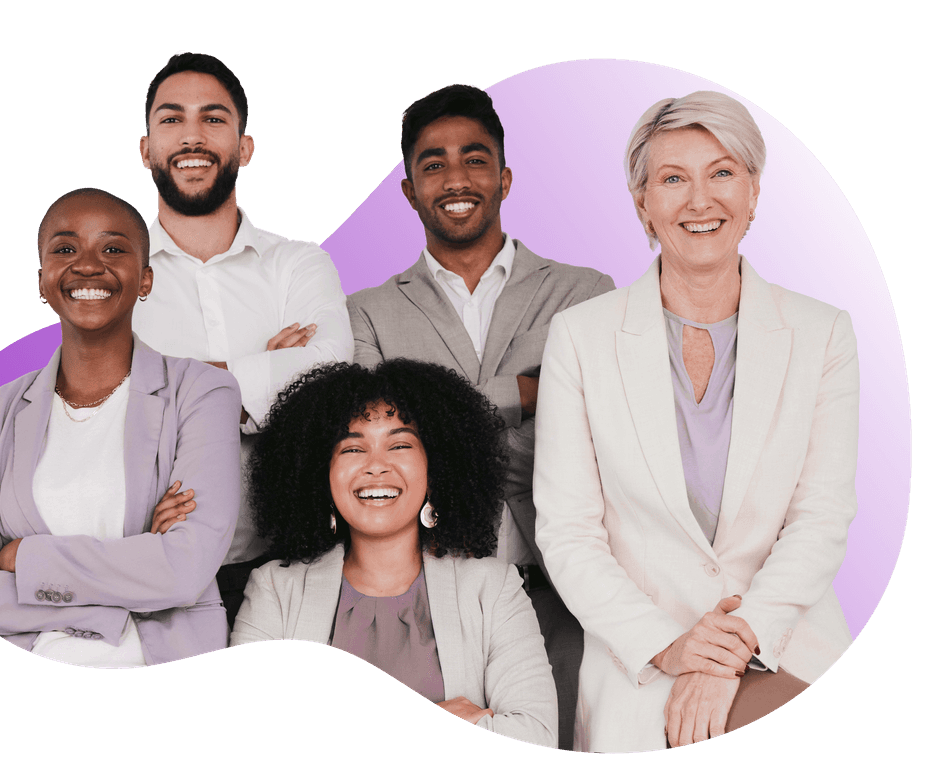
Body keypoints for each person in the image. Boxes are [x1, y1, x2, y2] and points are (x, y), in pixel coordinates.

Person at [533, 91, 859, 752]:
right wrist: (672, 647)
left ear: (754, 191)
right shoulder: (580, 337)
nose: (699, 200)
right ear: (642, 203)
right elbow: (568, 533)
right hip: (642, 650)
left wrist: (732, 648)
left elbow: (820, 519)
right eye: (673, 178)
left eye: (722, 172)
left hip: (785, 636)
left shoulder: (824, 334)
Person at [347, 84, 614, 750]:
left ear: (504, 176)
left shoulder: (585, 293)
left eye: (475, 158)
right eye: (433, 163)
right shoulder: (367, 312)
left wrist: (436, 421)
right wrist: (527, 394)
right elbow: (376, 437)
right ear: (409, 189)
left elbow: (600, 432)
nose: (456, 177)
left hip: (562, 588)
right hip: (428, 599)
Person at [0, 189, 242, 666]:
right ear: (43, 281)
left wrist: (27, 559)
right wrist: (135, 567)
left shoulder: (203, 393)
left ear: (145, 279)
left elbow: (185, 571)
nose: (87, 265)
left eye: (113, 248)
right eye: (65, 249)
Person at [132, 51, 353, 626]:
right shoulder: (113, 278)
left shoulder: (298, 263)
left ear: (245, 147)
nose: (192, 136)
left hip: (295, 568)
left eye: (213, 118)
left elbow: (329, 377)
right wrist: (260, 370)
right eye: (171, 119)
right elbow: (110, 401)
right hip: (151, 564)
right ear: (146, 147)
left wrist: (177, 387)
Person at [231, 360, 558, 748]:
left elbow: (534, 739)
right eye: (352, 447)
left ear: (435, 468)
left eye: (400, 444)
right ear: (321, 472)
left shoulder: (494, 588)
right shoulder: (274, 590)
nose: (376, 466)